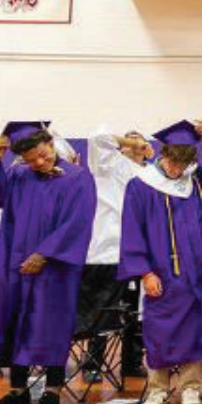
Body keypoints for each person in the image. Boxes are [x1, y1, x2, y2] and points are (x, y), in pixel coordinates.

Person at [118, 120, 202, 404]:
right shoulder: (142, 185)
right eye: (174, 161)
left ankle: (190, 388)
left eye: (185, 162)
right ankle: (158, 390)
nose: (178, 169)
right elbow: (132, 231)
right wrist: (144, 272)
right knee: (157, 330)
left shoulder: (200, 183)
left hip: (199, 275)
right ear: (163, 154)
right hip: (160, 274)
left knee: (195, 328)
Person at [0, 122, 97, 404]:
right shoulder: (18, 175)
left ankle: (52, 387)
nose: (39, 163)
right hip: (16, 264)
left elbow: (77, 222)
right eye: (30, 160)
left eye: (42, 154)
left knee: (51, 323)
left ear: (51, 144)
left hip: (55, 267)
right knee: (15, 321)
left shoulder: (78, 178)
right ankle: (18, 389)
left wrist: (44, 255)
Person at [79, 125, 148, 384]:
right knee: (101, 311)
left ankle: (131, 363)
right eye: (126, 143)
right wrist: (129, 142)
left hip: (138, 253)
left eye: (139, 143)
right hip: (105, 252)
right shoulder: (107, 165)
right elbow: (96, 137)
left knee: (134, 312)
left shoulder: (150, 175)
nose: (132, 147)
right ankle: (93, 363)